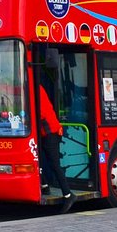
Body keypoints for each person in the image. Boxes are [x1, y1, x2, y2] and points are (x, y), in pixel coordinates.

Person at [37, 76, 75, 213]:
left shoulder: (37, 90)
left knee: (54, 164)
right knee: (38, 157)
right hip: (44, 132)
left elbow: (40, 113)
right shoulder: (32, 88)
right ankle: (45, 185)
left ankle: (68, 195)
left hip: (50, 132)